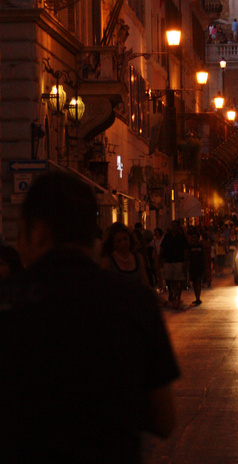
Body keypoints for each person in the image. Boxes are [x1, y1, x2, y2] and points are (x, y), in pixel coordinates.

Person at [0, 171, 178, 464]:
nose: (18, 246)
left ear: (39, 233)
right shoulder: (134, 302)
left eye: (21, 234)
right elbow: (165, 419)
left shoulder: (7, 301)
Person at [101, 222, 150, 287]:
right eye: (119, 241)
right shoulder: (108, 261)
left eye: (125, 239)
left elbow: (145, 281)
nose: (123, 243)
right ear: (114, 244)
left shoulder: (138, 257)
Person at [160, 219, 190, 309]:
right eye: (172, 225)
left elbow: (185, 249)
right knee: (168, 279)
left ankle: (177, 295)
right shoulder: (167, 236)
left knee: (178, 279)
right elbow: (162, 248)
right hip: (168, 260)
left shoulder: (181, 236)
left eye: (175, 225)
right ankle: (171, 291)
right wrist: (160, 258)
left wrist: (185, 261)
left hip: (178, 260)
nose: (174, 227)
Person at [186, 225, 206, 305]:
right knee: (194, 282)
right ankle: (196, 297)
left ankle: (198, 297)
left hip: (199, 265)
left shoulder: (201, 246)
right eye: (193, 237)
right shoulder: (190, 246)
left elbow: (204, 255)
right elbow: (187, 255)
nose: (194, 239)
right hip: (192, 265)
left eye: (195, 238)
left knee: (198, 281)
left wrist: (205, 265)